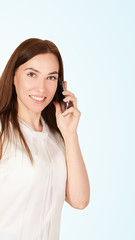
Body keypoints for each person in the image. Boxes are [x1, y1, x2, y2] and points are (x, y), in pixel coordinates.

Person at [0, 38, 90, 240]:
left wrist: (70, 134)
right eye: (32, 74)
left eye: (51, 78)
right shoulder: (3, 130)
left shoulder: (57, 136)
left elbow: (80, 200)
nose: (41, 89)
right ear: (13, 76)